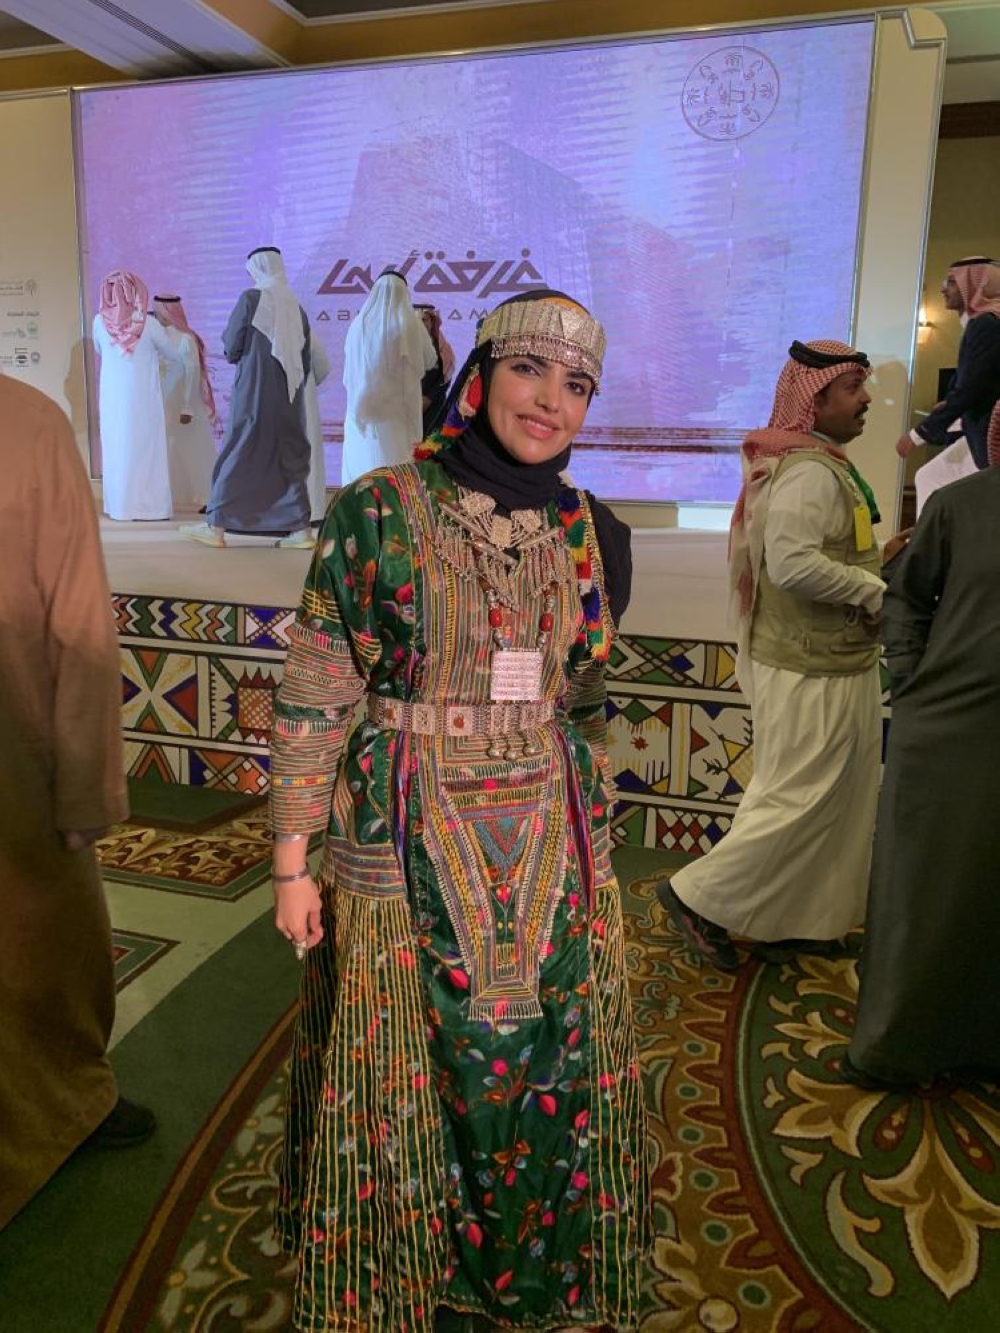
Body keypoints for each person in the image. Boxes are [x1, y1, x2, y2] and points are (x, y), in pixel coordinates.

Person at [269, 290, 647, 1331]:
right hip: (401, 834)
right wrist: (292, 861)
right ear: (480, 378)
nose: (553, 401)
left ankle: (526, 1266)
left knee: (538, 1059)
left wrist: (594, 835)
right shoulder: (378, 510)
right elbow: (316, 690)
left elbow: (585, 700)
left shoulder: (594, 534)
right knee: (404, 1049)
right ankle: (404, 1264)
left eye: (578, 385)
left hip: (548, 846)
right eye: (531, 370)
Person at [659, 340, 895, 971]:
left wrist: (879, 562)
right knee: (797, 799)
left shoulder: (823, 464)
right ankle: (696, 898)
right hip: (807, 665)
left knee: (836, 800)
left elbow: (828, 553)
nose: (866, 400)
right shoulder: (810, 471)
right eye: (853, 389)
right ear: (813, 401)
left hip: (833, 659)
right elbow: (792, 565)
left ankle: (801, 921)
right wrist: (873, 588)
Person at [0, 375, 155, 1231]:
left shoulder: (27, 423)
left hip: (14, 754)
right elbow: (81, 624)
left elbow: (75, 622)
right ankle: (69, 1104)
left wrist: (84, 780)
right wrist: (87, 785)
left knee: (41, 939)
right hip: (19, 761)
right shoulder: (28, 421)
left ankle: (74, 1099)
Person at [842, 464, 1000, 1089]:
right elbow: (905, 595)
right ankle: (898, 1046)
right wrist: (911, 682)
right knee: (929, 886)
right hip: (952, 731)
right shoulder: (962, 506)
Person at [182, 247, 313, 549]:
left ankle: (216, 526)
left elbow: (232, 345)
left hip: (255, 389)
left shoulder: (251, 299)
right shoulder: (296, 307)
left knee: (240, 448)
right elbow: (304, 360)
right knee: (288, 455)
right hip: (289, 397)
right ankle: (300, 529)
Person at [899, 257, 1000, 509]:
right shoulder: (983, 323)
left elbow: (969, 390)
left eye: (952, 282)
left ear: (976, 284)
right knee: (930, 477)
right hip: (977, 431)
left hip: (989, 435)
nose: (944, 289)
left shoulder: (986, 324)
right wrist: (948, 404)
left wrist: (918, 434)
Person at [92, 269, 183, 521]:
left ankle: (121, 507)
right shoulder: (149, 324)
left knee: (117, 448)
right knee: (146, 449)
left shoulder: (99, 322)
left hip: (113, 399)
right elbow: (174, 358)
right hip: (144, 399)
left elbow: (100, 350)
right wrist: (161, 385)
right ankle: (152, 508)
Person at [341, 269, 437, 484]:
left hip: (360, 418)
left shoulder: (357, 324)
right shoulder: (411, 324)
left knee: (361, 476)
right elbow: (430, 360)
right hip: (397, 418)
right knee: (395, 479)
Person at [151, 293, 217, 511]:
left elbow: (192, 372)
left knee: (192, 449)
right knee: (166, 449)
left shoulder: (186, 339)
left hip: (182, 403)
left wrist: (187, 406)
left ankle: (206, 496)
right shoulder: (155, 336)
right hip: (162, 401)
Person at [415, 301, 456, 435]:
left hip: (435, 405)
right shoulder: (403, 347)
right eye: (417, 320)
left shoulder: (442, 346)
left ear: (432, 322)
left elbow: (446, 377)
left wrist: (428, 398)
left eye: (425, 320)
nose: (421, 324)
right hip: (409, 405)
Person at [303, 330, 331, 523]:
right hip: (304, 399)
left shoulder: (263, 329)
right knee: (309, 453)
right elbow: (323, 366)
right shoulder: (306, 331)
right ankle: (312, 511)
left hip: (273, 401)